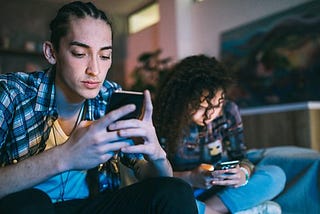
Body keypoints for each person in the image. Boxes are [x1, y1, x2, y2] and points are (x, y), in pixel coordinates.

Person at [0, 2, 198, 213]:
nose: (95, 70)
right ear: (51, 53)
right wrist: (65, 156)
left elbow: (151, 176)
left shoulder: (109, 97)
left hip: (91, 205)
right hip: (32, 208)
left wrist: (157, 154)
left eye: (104, 56)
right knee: (30, 202)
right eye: (79, 53)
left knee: (175, 190)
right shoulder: (12, 93)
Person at [153, 54, 286, 214]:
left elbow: (242, 157)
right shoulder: (164, 119)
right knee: (163, 199)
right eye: (201, 107)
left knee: (276, 175)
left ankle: (208, 211)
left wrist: (243, 172)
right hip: (184, 190)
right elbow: (153, 177)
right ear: (183, 100)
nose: (209, 115)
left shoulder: (229, 111)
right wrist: (190, 177)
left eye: (217, 105)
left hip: (217, 191)